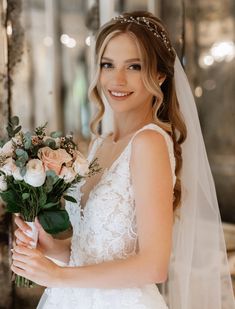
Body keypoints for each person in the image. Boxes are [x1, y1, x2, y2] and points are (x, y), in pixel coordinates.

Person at [11, 11, 235, 309]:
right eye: (108, 65)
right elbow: (86, 252)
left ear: (159, 75)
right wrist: (46, 247)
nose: (117, 79)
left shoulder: (149, 143)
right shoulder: (100, 145)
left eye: (134, 66)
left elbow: (153, 266)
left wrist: (60, 277)